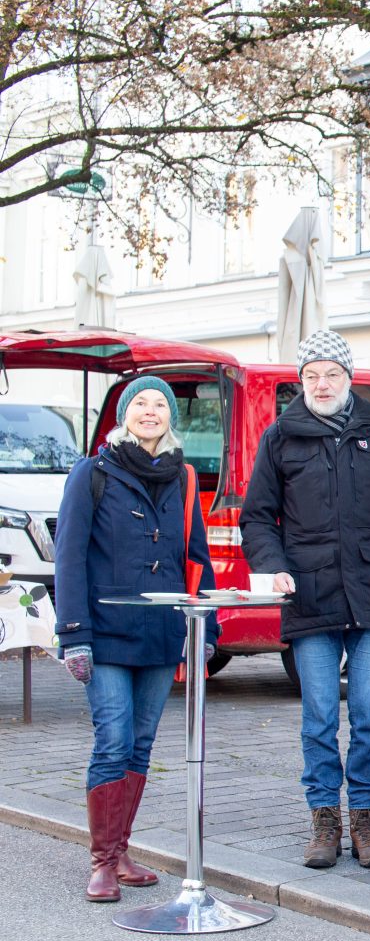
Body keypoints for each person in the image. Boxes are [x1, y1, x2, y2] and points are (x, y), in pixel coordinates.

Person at [241, 330, 370, 870]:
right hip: (310, 595)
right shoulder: (282, 436)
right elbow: (257, 517)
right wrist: (272, 565)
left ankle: (367, 819)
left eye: (330, 374)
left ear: (349, 378)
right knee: (320, 714)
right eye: (311, 375)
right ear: (299, 381)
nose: (321, 383)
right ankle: (324, 817)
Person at [53, 376, 218, 902]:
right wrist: (73, 634)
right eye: (140, 404)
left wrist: (206, 629)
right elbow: (69, 556)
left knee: (141, 746)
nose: (151, 412)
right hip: (103, 636)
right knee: (114, 740)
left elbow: (196, 559)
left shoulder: (184, 477)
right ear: (124, 415)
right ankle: (101, 862)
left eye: (160, 405)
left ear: (171, 417)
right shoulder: (93, 472)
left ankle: (121, 849)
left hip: (161, 634)